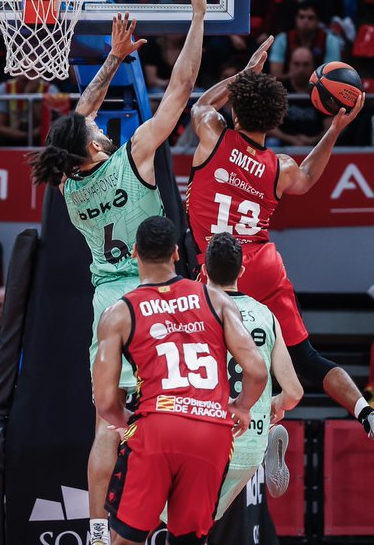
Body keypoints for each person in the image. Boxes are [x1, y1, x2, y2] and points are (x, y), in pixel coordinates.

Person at [27, 0, 214, 543]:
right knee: (185, 401)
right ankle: (178, 509)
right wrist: (197, 17)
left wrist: (111, 59)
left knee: (108, 420)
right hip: (160, 292)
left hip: (109, 301)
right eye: (92, 130)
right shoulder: (134, 156)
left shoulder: (66, 183)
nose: (97, 121)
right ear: (91, 146)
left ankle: (99, 527)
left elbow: (76, 117)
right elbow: (180, 88)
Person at [186, 40, 374, 474]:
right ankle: (372, 417)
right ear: (276, 119)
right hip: (264, 262)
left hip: (219, 266)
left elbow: (199, 104)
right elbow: (307, 179)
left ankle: (263, 428)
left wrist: (242, 76)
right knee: (305, 357)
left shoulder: (212, 133)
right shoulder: (282, 166)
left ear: (236, 109)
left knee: (214, 356)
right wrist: (335, 128)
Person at [94, 216, 268, 545]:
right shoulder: (216, 300)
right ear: (176, 253)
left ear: (134, 253)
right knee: (189, 539)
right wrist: (242, 407)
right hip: (210, 429)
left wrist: (128, 421)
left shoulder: (118, 314)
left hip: (158, 425)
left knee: (126, 539)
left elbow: (104, 402)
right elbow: (257, 370)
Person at [196, 232, 301, 516]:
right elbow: (294, 393)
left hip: (200, 441)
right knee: (202, 520)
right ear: (241, 270)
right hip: (249, 445)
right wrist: (275, 406)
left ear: (204, 270)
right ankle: (267, 437)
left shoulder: (192, 313)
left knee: (157, 512)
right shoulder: (266, 315)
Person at [268, 3, 342, 78]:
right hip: (288, 86)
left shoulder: (330, 40)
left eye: (311, 18)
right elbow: (275, 75)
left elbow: (332, 75)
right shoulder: (282, 39)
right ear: (295, 19)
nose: (305, 21)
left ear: (318, 21)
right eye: (301, 17)